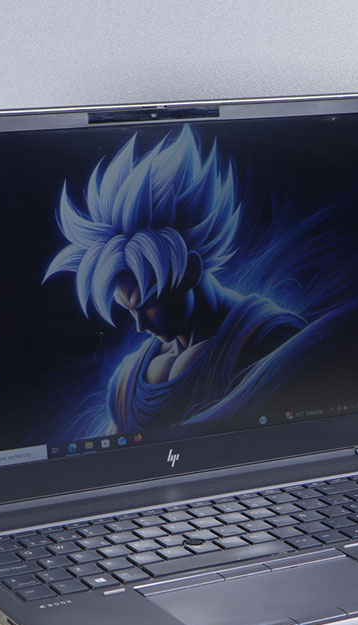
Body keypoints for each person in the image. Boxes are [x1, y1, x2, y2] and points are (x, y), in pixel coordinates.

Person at [44, 125, 305, 434]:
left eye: (148, 304)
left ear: (190, 271)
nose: (140, 326)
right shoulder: (128, 379)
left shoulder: (272, 340)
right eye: (130, 310)